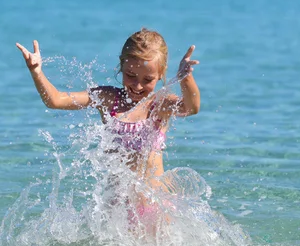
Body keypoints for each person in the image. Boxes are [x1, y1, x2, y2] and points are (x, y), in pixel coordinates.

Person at [16, 28, 200, 233]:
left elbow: (191, 108)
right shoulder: (108, 98)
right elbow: (56, 100)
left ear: (160, 76)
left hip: (152, 206)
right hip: (116, 208)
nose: (138, 86)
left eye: (147, 80)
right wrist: (36, 71)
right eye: (131, 75)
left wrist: (186, 79)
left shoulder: (159, 104)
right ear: (121, 67)